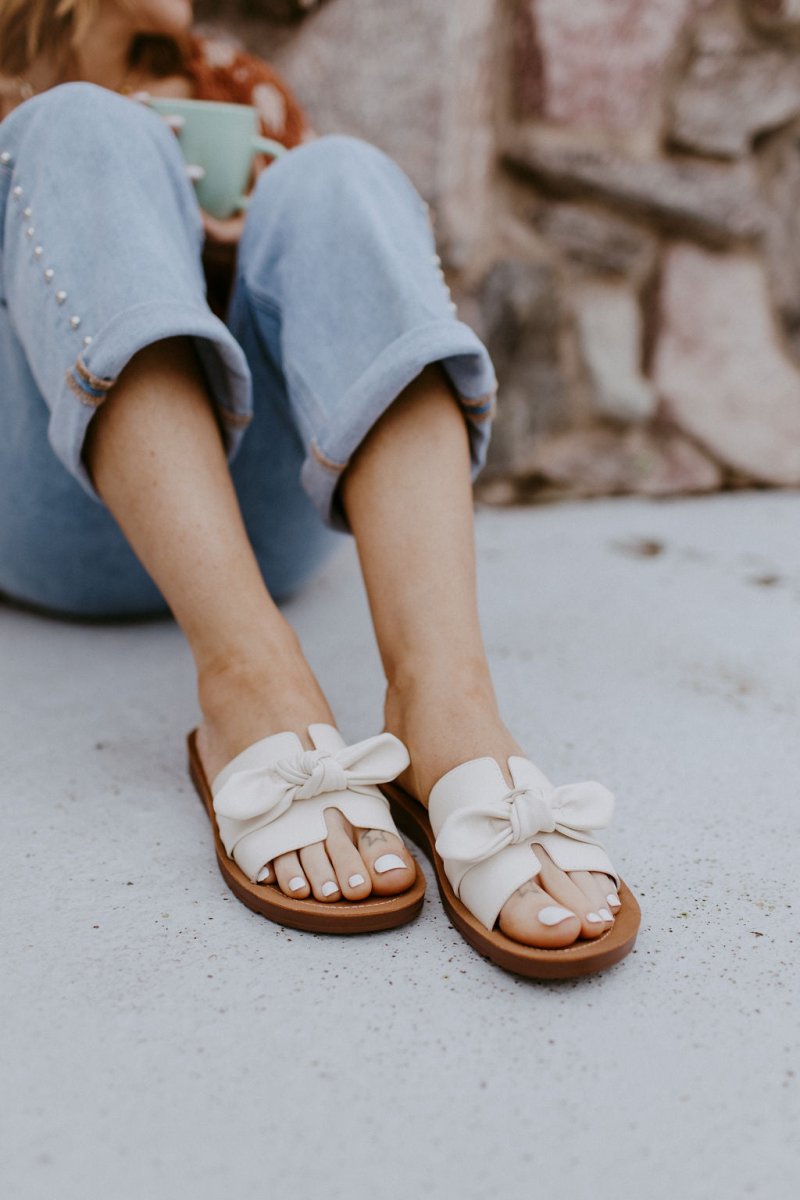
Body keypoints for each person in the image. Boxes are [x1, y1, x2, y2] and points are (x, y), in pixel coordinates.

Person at [0, 0, 640, 977]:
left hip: (250, 517)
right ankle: (249, 678)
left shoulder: (231, 86)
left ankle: (445, 704)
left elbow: (324, 289)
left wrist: (220, 241)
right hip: (43, 503)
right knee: (80, 126)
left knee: (337, 172)